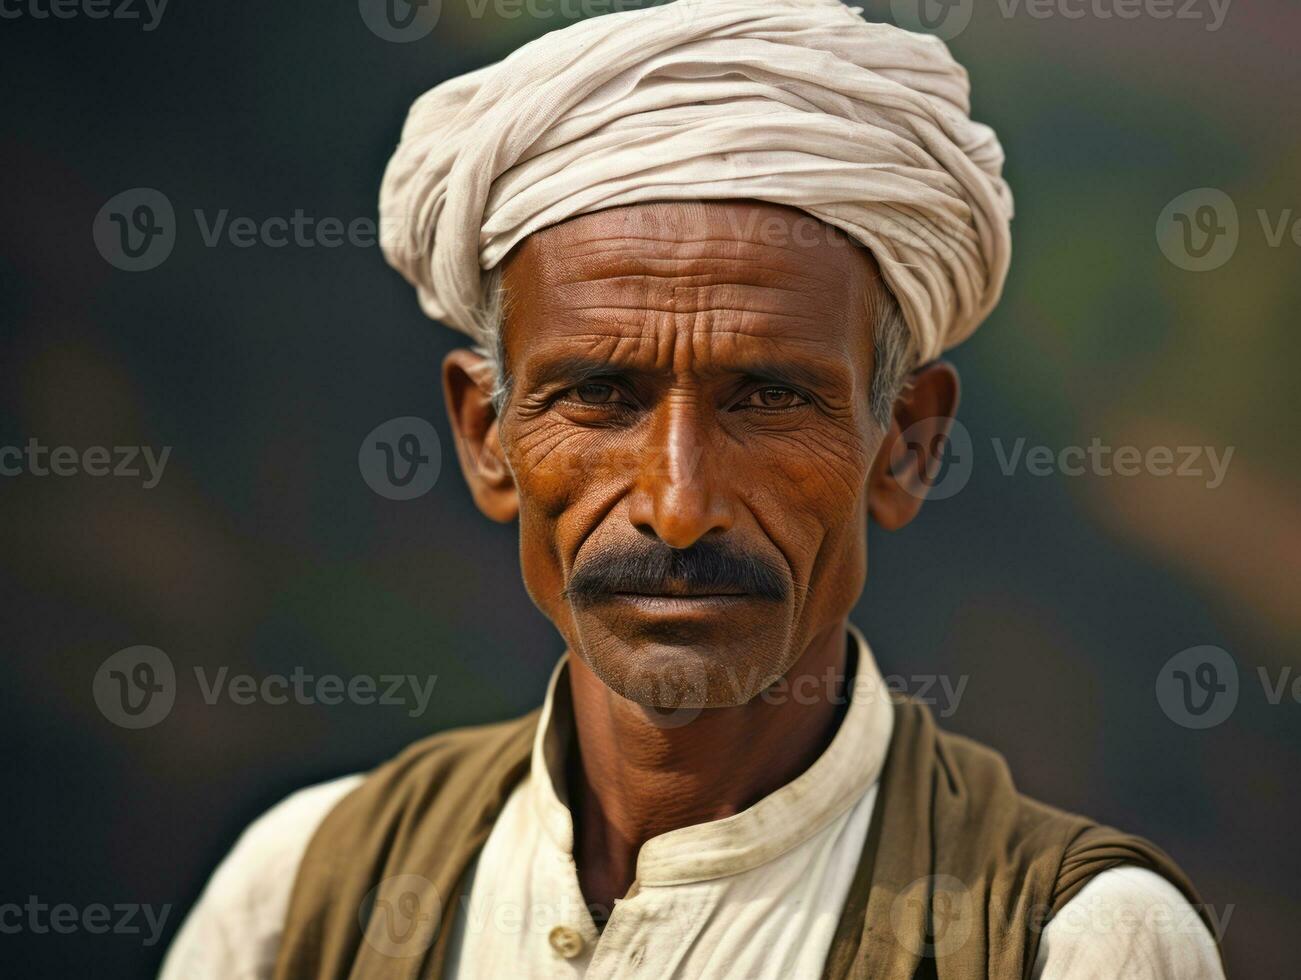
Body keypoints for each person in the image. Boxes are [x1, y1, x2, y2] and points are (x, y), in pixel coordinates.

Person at [161, 1, 1225, 976]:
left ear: (903, 443)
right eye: (598, 395)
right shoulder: (305, 888)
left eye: (765, 399)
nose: (677, 505)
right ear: (488, 439)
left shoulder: (1073, 942)